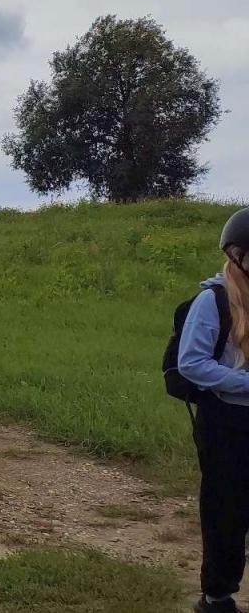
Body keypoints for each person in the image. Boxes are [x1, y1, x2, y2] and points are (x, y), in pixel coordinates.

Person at [179, 208, 249, 613]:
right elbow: (192, 362)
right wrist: (244, 383)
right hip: (226, 422)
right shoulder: (213, 300)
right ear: (237, 255)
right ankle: (217, 596)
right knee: (226, 512)